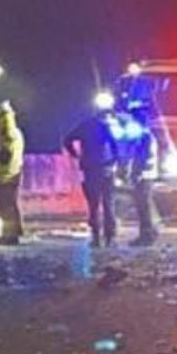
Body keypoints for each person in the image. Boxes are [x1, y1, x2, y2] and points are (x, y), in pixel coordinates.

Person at [64, 103, 120, 247]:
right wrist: (115, 161)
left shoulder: (85, 126)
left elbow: (67, 139)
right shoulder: (105, 127)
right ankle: (110, 237)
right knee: (109, 204)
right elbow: (115, 146)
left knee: (93, 205)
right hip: (106, 169)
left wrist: (76, 155)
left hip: (90, 169)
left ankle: (96, 238)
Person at [0, 101, 24, 245]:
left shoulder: (7, 134)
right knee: (9, 204)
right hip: (11, 173)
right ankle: (12, 231)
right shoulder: (12, 133)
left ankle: (10, 235)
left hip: (6, 175)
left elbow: (4, 157)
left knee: (5, 205)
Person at [124, 108, 159, 246]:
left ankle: (146, 236)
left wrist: (137, 174)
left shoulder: (145, 138)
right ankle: (149, 233)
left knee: (143, 207)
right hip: (144, 175)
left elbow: (143, 159)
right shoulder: (144, 136)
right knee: (144, 206)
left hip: (144, 176)